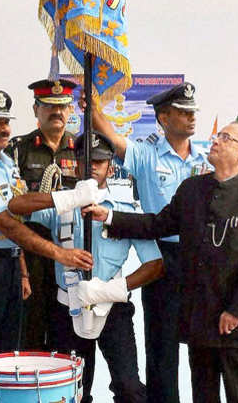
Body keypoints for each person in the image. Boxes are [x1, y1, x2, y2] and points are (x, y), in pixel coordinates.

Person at [85, 122, 238, 403]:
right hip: (200, 316)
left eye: (226, 138)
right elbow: (158, 224)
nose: (216, 140)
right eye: (218, 135)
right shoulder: (192, 189)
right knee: (203, 393)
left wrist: (236, 310)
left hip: (236, 321)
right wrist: (111, 217)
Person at [81, 82, 212, 403]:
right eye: (182, 113)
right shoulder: (145, 154)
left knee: (205, 347)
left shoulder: (208, 158)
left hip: (204, 259)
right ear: (163, 118)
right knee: (162, 345)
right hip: (163, 257)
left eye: (193, 112)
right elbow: (112, 139)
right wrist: (94, 109)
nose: (191, 118)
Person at [0, 89, 101, 358]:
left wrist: (71, 203)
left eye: (6, 122)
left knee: (8, 353)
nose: (4, 129)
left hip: (9, 264)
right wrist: (62, 254)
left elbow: (22, 207)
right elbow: (8, 225)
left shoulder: (4, 164)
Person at [31, 132, 163, 403]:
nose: (92, 166)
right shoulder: (62, 206)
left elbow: (155, 264)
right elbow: (17, 207)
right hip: (68, 306)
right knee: (72, 391)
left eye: (100, 161)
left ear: (110, 166)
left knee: (129, 387)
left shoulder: (125, 210)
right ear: (75, 163)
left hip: (112, 307)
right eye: (85, 159)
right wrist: (64, 199)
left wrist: (115, 288)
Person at [5, 78, 81, 352]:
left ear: (71, 110)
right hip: (33, 248)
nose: (57, 112)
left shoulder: (83, 149)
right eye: (49, 106)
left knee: (68, 330)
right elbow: (10, 210)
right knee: (31, 327)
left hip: (72, 249)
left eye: (63, 106)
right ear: (36, 109)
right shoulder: (18, 150)